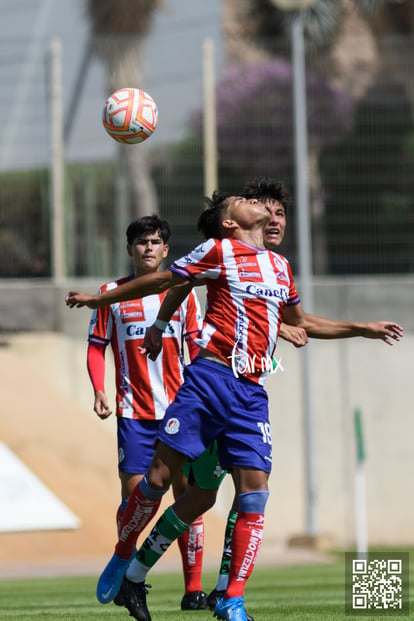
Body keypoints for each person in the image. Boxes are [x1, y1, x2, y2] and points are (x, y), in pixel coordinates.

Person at [66, 190, 403, 621]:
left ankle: (230, 598)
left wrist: (363, 328)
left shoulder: (281, 266)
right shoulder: (219, 250)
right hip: (208, 381)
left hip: (250, 392)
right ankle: (124, 557)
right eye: (243, 201)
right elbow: (168, 280)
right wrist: (102, 300)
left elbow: (300, 322)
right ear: (229, 222)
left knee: (253, 496)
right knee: (160, 480)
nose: (258, 204)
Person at [86, 214, 209, 611]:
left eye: (156, 241)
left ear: (167, 249)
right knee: (136, 497)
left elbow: (197, 350)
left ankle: (192, 590)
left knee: (188, 495)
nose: (149, 248)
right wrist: (99, 389)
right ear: (129, 249)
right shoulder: (110, 293)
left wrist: (203, 399)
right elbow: (95, 346)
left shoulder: (185, 293)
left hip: (179, 409)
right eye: (141, 242)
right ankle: (127, 568)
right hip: (133, 412)